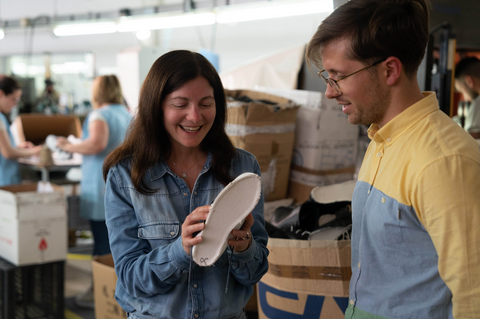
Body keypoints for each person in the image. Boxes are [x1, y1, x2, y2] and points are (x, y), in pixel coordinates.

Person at [306, 0, 480, 318]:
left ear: (390, 70)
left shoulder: (445, 162)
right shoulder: (381, 139)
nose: (330, 92)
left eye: (338, 76)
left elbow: (474, 296)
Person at [102, 50, 269, 319]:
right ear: (156, 106)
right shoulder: (126, 176)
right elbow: (131, 278)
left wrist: (244, 247)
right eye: (180, 104)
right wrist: (180, 250)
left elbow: (256, 273)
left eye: (205, 103)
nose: (194, 116)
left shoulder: (242, 169)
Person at [56, 75, 132, 307]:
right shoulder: (126, 113)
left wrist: (66, 145)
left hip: (102, 186)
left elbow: (96, 144)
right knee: (120, 240)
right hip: (123, 184)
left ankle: (101, 290)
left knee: (102, 242)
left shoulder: (100, 115)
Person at [0, 76, 42, 187]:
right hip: (4, 180)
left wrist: (16, 147)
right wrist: (35, 151)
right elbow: (7, 153)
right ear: (1, 94)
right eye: (14, 99)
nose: (15, 104)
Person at [454, 57, 480, 138]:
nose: (464, 98)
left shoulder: (478, 104)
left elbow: (470, 142)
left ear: (469, 81)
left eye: (462, 91)